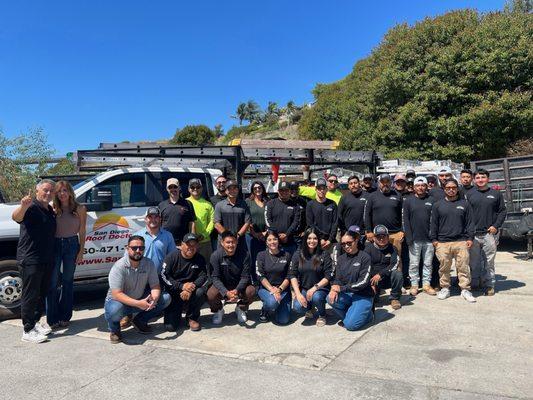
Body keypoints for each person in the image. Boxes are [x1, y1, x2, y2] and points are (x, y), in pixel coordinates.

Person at [104, 235, 171, 343]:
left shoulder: (148, 263)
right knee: (114, 311)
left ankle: (139, 321)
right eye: (134, 248)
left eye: (141, 248)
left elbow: (155, 286)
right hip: (119, 301)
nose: (138, 250)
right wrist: (138, 303)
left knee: (165, 298)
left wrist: (154, 298)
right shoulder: (119, 266)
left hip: (139, 299)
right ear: (127, 248)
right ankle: (114, 330)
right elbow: (117, 294)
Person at [12, 179, 56, 343]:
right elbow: (16, 217)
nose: (48, 193)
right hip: (30, 258)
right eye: (45, 190)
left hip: (46, 258)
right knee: (30, 295)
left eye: (51, 191)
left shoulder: (49, 209)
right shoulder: (31, 207)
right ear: (37, 191)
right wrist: (23, 206)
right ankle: (27, 330)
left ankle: (35, 323)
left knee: (41, 293)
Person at [46, 180, 87, 329]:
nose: (62, 194)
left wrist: (81, 251)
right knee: (52, 282)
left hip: (71, 245)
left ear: (70, 192)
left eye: (65, 190)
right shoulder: (52, 208)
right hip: (55, 245)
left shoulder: (80, 209)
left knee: (68, 282)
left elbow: (82, 231)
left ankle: (65, 316)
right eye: (59, 191)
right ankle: (52, 318)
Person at [429, 179, 476, 303]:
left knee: (463, 266)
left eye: (453, 187)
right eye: (448, 188)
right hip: (442, 242)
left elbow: (470, 223)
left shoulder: (464, 204)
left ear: (457, 189)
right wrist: (434, 240)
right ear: (444, 189)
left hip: (461, 241)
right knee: (444, 267)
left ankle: (465, 289)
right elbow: (433, 224)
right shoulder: (437, 205)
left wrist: (470, 237)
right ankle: (445, 288)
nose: (451, 190)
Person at [467, 169, 506, 296]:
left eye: (483, 177)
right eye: (477, 177)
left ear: (488, 179)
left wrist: (496, 226)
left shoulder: (496, 194)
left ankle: (489, 285)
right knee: (473, 261)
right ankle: (475, 282)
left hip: (489, 234)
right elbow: (465, 214)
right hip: (473, 234)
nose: (480, 180)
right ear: (474, 179)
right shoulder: (470, 194)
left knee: (489, 262)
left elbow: (502, 211)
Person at [327, 229, 374, 331]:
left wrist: (341, 288)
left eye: (349, 243)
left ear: (356, 241)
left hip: (363, 295)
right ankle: (351, 316)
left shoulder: (365, 257)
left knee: (350, 326)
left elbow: (364, 282)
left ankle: (368, 315)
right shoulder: (341, 259)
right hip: (349, 294)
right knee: (329, 298)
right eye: (343, 244)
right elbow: (338, 279)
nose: (346, 246)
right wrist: (333, 289)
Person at [161, 233, 207, 332]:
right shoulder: (171, 257)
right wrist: (181, 286)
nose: (191, 247)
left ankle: (191, 317)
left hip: (191, 291)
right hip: (175, 292)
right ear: (182, 245)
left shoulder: (200, 259)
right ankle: (177, 311)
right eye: (188, 244)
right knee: (170, 328)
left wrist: (191, 286)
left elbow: (203, 276)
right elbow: (164, 276)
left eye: (194, 245)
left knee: (200, 292)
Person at [207, 231, 256, 324]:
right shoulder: (215, 256)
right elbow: (215, 278)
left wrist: (236, 290)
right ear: (222, 243)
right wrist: (226, 292)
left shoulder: (245, 254)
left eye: (233, 242)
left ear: (237, 241)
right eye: (228, 242)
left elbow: (245, 277)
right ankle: (218, 310)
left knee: (251, 291)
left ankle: (241, 308)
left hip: (239, 285)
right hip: (223, 284)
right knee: (210, 294)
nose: (231, 245)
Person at [290, 228, 333, 327]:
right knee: (297, 307)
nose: (312, 241)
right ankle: (310, 308)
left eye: (315, 238)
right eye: (309, 238)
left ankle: (322, 314)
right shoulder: (298, 254)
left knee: (316, 297)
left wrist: (315, 288)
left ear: (318, 240)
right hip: (304, 288)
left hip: (321, 288)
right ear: (305, 239)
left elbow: (328, 275)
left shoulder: (324, 254)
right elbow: (292, 275)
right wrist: (298, 294)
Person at [402, 177, 437, 296]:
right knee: (414, 264)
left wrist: (434, 237)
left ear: (426, 187)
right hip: (414, 239)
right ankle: (414, 285)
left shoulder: (432, 200)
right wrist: (408, 236)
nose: (420, 187)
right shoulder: (408, 201)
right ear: (414, 187)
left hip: (429, 239)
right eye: (418, 185)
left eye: (423, 185)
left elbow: (435, 220)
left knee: (428, 263)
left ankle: (426, 284)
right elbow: (405, 220)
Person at [256, 230, 292, 325]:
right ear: (266, 242)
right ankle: (266, 308)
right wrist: (272, 289)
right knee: (272, 302)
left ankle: (277, 306)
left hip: (283, 290)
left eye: (275, 239)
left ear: (278, 240)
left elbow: (289, 276)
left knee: (283, 320)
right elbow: (260, 275)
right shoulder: (261, 255)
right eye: (269, 240)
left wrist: (279, 289)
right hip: (266, 289)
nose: (272, 242)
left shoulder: (286, 255)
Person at [364, 173, 404, 259]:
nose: (385, 184)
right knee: (377, 259)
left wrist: (402, 230)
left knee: (396, 259)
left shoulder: (398, 195)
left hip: (395, 234)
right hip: (377, 235)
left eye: (387, 181)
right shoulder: (372, 196)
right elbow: (367, 215)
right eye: (382, 182)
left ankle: (397, 273)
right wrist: (369, 231)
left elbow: (403, 215)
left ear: (391, 183)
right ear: (379, 183)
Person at [364, 225, 403, 310]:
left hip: (386, 277)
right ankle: (375, 294)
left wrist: (380, 274)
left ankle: (394, 298)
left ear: (388, 237)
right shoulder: (368, 249)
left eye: (384, 236)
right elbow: (365, 267)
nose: (381, 239)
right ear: (374, 238)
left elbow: (394, 264)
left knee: (398, 274)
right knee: (372, 301)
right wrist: (371, 282)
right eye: (378, 236)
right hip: (373, 280)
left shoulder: (393, 248)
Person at [265, 181, 300, 256]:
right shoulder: (270, 203)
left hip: (290, 242)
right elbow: (267, 219)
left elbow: (296, 222)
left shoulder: (295, 206)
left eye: (286, 190)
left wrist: (287, 234)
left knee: (291, 266)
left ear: (290, 191)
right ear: (278, 191)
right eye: (281, 190)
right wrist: (277, 234)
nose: (284, 192)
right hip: (273, 243)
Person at [213, 180, 251, 250]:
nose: (232, 191)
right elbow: (216, 223)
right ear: (226, 191)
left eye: (234, 188)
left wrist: (238, 235)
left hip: (240, 242)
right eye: (229, 189)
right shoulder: (219, 205)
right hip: (224, 242)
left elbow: (247, 222)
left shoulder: (244, 204)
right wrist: (227, 236)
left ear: (238, 190)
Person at [158, 178, 196, 245]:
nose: (173, 189)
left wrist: (192, 239)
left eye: (175, 187)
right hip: (165, 241)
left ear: (179, 188)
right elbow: (158, 224)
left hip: (183, 242)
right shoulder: (161, 205)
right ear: (167, 189)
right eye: (170, 187)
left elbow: (192, 223)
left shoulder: (187, 203)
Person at [306, 178, 338, 251]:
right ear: (315, 189)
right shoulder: (310, 204)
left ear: (327, 189)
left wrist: (330, 240)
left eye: (323, 188)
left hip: (330, 241)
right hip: (316, 240)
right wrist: (320, 238)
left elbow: (335, 223)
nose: (321, 191)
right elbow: (310, 223)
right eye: (319, 188)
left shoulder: (332, 204)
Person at [186, 178, 215, 262]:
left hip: (204, 241)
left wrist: (204, 235)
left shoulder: (208, 204)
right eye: (192, 187)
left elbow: (212, 221)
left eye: (198, 187)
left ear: (201, 188)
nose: (195, 189)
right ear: (188, 189)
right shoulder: (184, 203)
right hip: (188, 242)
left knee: (206, 265)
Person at [245, 180, 269, 278]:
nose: (257, 190)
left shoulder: (268, 201)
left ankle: (264, 278)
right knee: (252, 258)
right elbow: (246, 218)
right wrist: (255, 233)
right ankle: (253, 279)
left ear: (263, 188)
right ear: (252, 190)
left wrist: (265, 232)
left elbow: (271, 218)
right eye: (255, 188)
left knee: (265, 258)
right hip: (251, 235)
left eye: (259, 187)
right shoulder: (248, 202)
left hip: (266, 235)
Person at [209, 175, 227, 249]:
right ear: (216, 185)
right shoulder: (211, 200)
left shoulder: (232, 199)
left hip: (230, 234)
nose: (221, 184)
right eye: (219, 182)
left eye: (223, 182)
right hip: (216, 236)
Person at [289, 181, 308, 247]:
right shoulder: (285, 201)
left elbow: (307, 218)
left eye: (296, 189)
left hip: (300, 235)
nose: (294, 191)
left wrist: (305, 231)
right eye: (292, 189)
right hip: (288, 235)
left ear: (299, 190)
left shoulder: (303, 202)